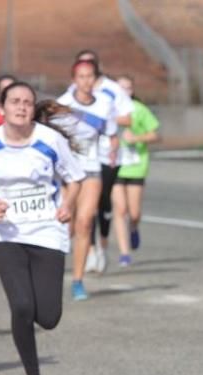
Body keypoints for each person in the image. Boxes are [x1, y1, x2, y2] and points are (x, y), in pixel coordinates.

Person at [0, 82, 85, 375]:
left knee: (48, 317)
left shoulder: (50, 140)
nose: (21, 107)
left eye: (27, 102)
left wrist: (68, 204)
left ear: (34, 108)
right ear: (2, 107)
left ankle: (35, 345)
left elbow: (75, 179)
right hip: (7, 235)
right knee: (21, 306)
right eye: (15, 101)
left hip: (47, 232)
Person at [57, 58, 117, 300]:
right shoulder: (62, 104)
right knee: (66, 225)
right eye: (81, 77)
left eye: (90, 77)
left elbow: (111, 134)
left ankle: (78, 281)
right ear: (74, 80)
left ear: (96, 79)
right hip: (66, 172)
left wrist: (113, 149)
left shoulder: (104, 104)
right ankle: (53, 270)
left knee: (84, 222)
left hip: (91, 169)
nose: (86, 81)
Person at [70, 49, 133, 274]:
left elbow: (128, 116)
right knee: (86, 211)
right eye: (82, 69)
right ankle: (91, 249)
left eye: (90, 67)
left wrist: (100, 119)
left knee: (104, 206)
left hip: (108, 156)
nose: (86, 76)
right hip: (82, 162)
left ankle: (102, 244)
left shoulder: (112, 91)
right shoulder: (71, 94)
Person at [111, 74, 159, 266]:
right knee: (120, 209)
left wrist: (137, 139)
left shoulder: (140, 110)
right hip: (115, 166)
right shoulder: (108, 110)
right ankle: (124, 253)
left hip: (136, 165)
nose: (124, 92)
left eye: (127, 88)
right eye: (120, 88)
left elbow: (155, 134)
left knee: (135, 212)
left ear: (132, 90)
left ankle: (134, 227)